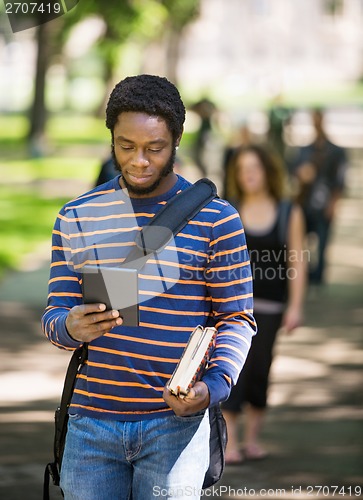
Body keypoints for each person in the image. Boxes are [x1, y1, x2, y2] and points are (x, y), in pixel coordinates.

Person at [41, 74, 256, 499]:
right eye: (126, 146)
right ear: (112, 140)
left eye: (155, 148)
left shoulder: (216, 219)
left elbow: (237, 317)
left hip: (173, 428)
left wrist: (213, 387)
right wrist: (70, 327)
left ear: (176, 141)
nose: (139, 160)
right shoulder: (77, 215)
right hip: (91, 425)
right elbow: (54, 315)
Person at [221, 144, 306, 464]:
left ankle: (251, 440)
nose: (248, 174)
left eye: (254, 167)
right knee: (232, 369)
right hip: (232, 309)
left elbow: (297, 263)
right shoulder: (228, 209)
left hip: (271, 308)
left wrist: (296, 306)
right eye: (242, 169)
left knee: (260, 370)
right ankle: (229, 445)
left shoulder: (289, 212)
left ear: (267, 171)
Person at [292, 108, 348, 285]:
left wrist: (334, 203)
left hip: (323, 203)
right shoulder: (305, 150)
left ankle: (319, 276)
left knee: (322, 242)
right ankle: (304, 273)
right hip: (305, 202)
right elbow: (292, 169)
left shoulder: (335, 151)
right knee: (301, 241)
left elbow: (339, 180)